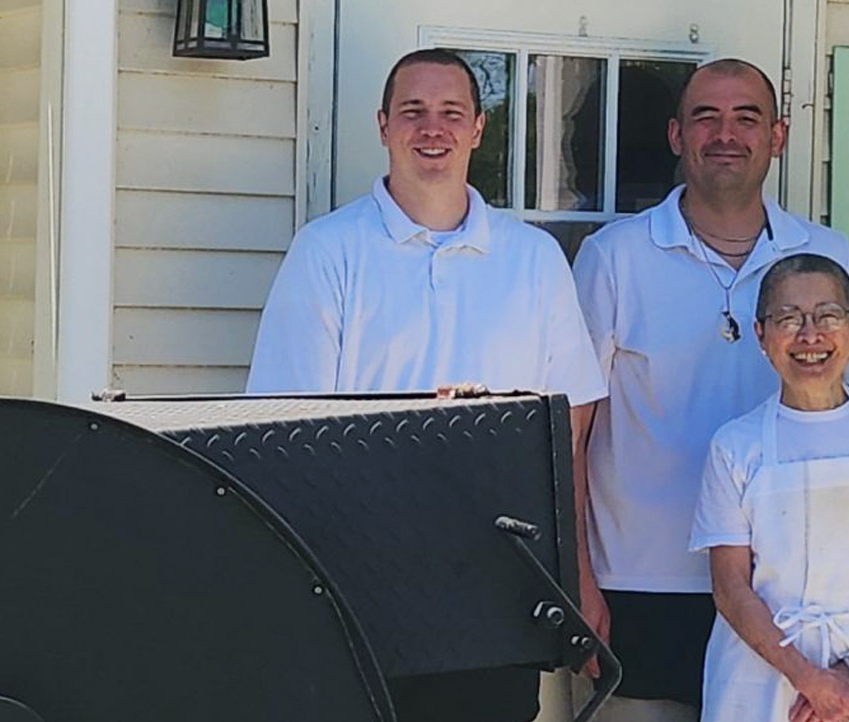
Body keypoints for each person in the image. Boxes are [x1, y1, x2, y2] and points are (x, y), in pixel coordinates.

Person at [246, 48, 608, 722]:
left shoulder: (533, 261)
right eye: (413, 111)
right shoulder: (327, 253)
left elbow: (571, 434)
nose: (431, 128)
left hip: (497, 589)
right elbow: (281, 434)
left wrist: (579, 575)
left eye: (451, 113)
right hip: (355, 586)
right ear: (383, 125)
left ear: (478, 130)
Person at [572, 58, 849, 722]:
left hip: (793, 600)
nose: (726, 133)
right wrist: (579, 580)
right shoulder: (614, 257)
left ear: (779, 136)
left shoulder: (824, 253)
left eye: (747, 117)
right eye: (706, 116)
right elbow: (569, 436)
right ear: (677, 136)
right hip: (642, 581)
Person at [691, 253, 849, 722]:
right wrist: (809, 679)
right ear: (762, 335)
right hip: (765, 681)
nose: (810, 336)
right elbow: (729, 586)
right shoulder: (734, 446)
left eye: (827, 316)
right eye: (789, 319)